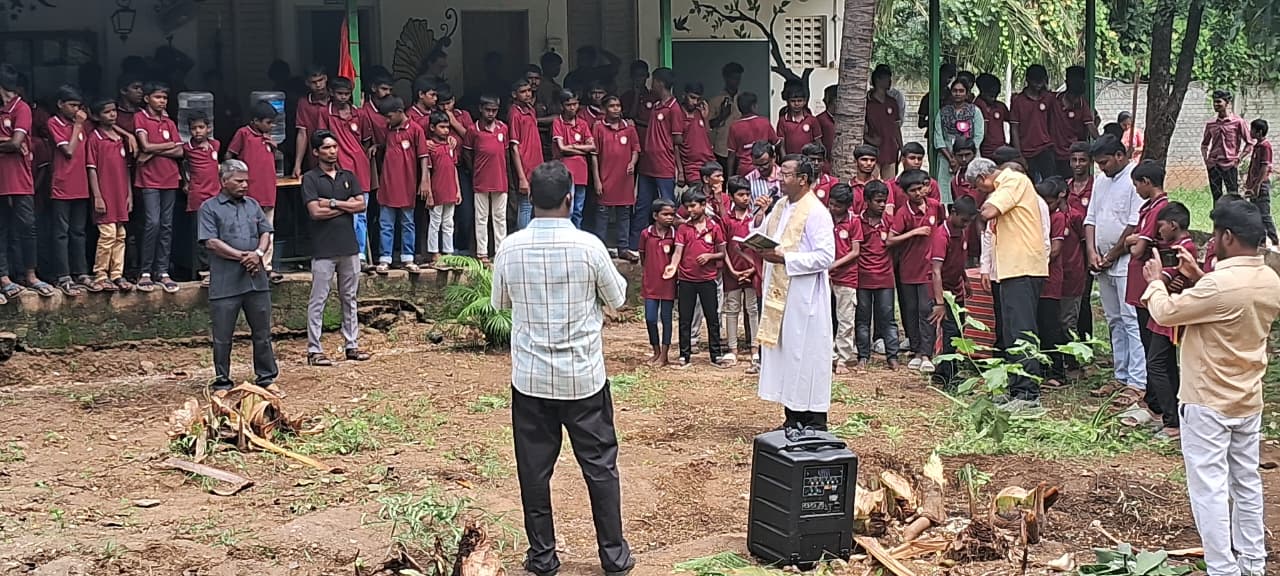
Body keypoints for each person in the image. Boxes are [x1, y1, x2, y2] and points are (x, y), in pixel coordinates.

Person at [490, 160, 633, 576]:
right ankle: (614, 556)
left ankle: (542, 557)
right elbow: (618, 299)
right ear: (571, 197)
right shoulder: (589, 247)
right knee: (601, 468)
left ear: (529, 197)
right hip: (583, 376)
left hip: (531, 378)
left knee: (534, 472)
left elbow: (500, 304)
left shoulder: (510, 247)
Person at [1142, 198, 1279, 576]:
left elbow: (1167, 312)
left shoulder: (1219, 284)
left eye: (1216, 235)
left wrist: (1155, 282)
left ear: (1229, 237)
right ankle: (1253, 563)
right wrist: (1201, 277)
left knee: (1210, 489)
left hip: (1206, 401)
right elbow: (1227, 304)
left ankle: (1222, 568)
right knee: (1247, 482)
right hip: (1247, 397)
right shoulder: (1269, 279)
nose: (1211, 242)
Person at [747, 154, 836, 429]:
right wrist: (758, 219)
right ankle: (791, 417)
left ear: (803, 180)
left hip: (804, 298)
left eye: (785, 174)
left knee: (806, 355)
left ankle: (814, 421)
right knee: (787, 354)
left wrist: (785, 258)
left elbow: (826, 256)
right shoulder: (781, 205)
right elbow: (764, 234)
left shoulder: (816, 212)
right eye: (780, 173)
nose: (779, 179)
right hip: (780, 294)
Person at [967, 157, 1047, 408]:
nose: (983, 194)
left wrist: (977, 208)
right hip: (1009, 269)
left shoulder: (1012, 180)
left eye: (980, 189)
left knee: (1022, 331)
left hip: (1022, 266)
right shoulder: (1005, 186)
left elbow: (989, 211)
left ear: (983, 178)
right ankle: (1016, 389)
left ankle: (1028, 393)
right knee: (1011, 331)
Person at [199, 159, 279, 394]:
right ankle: (222, 381)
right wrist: (242, 257)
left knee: (262, 333)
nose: (245, 185)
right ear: (224, 182)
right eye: (239, 181)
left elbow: (266, 231)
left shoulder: (253, 205)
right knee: (223, 336)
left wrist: (258, 253)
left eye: (247, 181)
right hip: (225, 282)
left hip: (256, 280)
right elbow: (211, 242)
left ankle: (266, 377)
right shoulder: (209, 208)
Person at [1083, 135, 1146, 401]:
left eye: (1105, 162)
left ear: (1120, 155)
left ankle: (1138, 380)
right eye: (1098, 163)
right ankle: (1120, 375)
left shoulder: (1134, 180)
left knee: (1130, 318)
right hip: (1102, 260)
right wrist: (1092, 252)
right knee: (1114, 320)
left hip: (1125, 260)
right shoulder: (1100, 181)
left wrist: (1112, 254)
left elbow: (1134, 224)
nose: (1102, 168)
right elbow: (1091, 218)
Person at [301, 130, 371, 367]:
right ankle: (314, 350)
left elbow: (361, 205)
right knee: (318, 299)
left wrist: (332, 202)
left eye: (334, 147)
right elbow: (314, 212)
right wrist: (346, 206)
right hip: (323, 248)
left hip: (349, 246)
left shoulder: (347, 175)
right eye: (327, 148)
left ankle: (352, 345)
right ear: (316, 152)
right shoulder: (310, 178)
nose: (332, 151)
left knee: (350, 298)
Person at [667, 188, 732, 369]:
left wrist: (709, 257)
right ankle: (684, 355)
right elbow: (677, 252)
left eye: (693, 206)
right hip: (687, 279)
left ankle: (716, 354)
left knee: (712, 318)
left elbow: (722, 253)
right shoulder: (683, 229)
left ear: (703, 205)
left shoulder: (715, 227)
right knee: (685, 318)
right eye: (687, 207)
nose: (690, 211)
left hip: (708, 278)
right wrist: (672, 267)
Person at [315, 77, 374, 270]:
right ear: (331, 92)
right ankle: (343, 254)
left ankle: (361, 255)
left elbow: (366, 140)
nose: (343, 97)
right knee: (342, 214)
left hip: (360, 168)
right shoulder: (326, 113)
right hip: (339, 170)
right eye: (339, 93)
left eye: (347, 94)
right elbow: (321, 140)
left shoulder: (360, 114)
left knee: (361, 214)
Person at [132, 81, 185, 293]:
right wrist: (168, 146)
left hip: (170, 178)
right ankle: (145, 271)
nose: (162, 101)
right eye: (157, 97)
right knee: (152, 223)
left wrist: (154, 151)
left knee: (166, 225)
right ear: (147, 99)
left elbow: (181, 152)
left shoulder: (169, 122)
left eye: (164, 98)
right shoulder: (140, 117)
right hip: (149, 179)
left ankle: (162, 271)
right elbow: (144, 145)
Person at [889, 169, 943, 373]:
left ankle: (927, 353)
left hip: (929, 268)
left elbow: (940, 229)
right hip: (909, 268)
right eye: (912, 190)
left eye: (921, 189)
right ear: (905, 192)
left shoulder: (935, 207)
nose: (918, 193)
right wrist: (914, 232)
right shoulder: (903, 213)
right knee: (910, 310)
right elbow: (890, 240)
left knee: (926, 310)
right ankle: (916, 349)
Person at [372, 97, 430, 272]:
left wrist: (424, 181)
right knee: (386, 223)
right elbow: (383, 147)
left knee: (407, 222)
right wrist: (375, 147)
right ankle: (385, 258)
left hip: (407, 184)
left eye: (389, 117)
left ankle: (408, 258)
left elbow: (423, 157)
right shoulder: (388, 131)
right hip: (388, 185)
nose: (387, 121)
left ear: (399, 112)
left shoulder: (415, 129)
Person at [226, 101, 281, 282]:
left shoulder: (269, 139)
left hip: (268, 191)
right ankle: (247, 263)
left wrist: (273, 146)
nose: (271, 126)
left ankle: (266, 266)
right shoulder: (243, 134)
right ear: (255, 121)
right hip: (249, 192)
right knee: (246, 229)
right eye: (268, 122)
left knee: (268, 229)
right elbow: (230, 155)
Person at [46, 85, 92, 296]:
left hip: (81, 185)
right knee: (61, 233)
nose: (76, 110)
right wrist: (78, 126)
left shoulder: (83, 126)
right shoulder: (54, 123)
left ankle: (81, 272)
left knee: (79, 232)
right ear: (60, 104)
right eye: (72, 105)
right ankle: (63, 275)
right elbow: (68, 150)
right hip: (62, 185)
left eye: (78, 106)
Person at [632, 67, 684, 251]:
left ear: (660, 83)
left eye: (653, 80)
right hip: (647, 164)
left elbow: (678, 139)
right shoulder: (655, 106)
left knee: (667, 205)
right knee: (642, 205)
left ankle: (671, 243)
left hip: (664, 164)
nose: (651, 84)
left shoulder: (674, 108)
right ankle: (636, 245)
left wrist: (680, 168)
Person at [929, 196, 978, 389]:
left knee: (959, 331)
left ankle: (942, 372)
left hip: (957, 289)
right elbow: (935, 270)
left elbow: (959, 260)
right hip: (943, 291)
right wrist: (940, 302)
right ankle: (949, 376)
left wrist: (965, 280)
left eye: (969, 221)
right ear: (953, 213)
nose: (967, 224)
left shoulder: (961, 232)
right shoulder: (942, 235)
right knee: (949, 333)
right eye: (964, 220)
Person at [591, 95, 640, 259]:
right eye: (612, 106)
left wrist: (632, 162)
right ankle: (600, 249)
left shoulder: (629, 128)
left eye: (618, 105)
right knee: (603, 214)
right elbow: (594, 155)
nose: (616, 109)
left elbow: (635, 149)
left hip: (624, 179)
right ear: (604, 109)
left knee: (624, 214)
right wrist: (597, 179)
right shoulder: (598, 128)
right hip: (605, 178)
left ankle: (623, 248)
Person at [855, 182, 898, 369]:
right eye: (878, 201)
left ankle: (892, 356)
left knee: (888, 317)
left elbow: (895, 246)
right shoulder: (858, 222)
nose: (882, 205)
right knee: (863, 318)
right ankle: (863, 356)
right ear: (867, 201)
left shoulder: (889, 220)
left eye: (884, 201)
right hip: (863, 277)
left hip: (885, 277)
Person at [464, 95, 510, 262]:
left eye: (494, 110)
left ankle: (500, 251)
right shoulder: (473, 130)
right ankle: (482, 253)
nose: (491, 113)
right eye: (488, 110)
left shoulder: (503, 128)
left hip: (500, 179)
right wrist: (475, 170)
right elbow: (467, 154)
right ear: (481, 109)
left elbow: (506, 153)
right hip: (481, 179)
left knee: (500, 217)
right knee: (481, 217)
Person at [720, 177, 758, 366]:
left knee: (753, 309)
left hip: (753, 271)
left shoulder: (755, 219)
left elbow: (760, 247)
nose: (745, 198)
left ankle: (755, 348)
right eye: (740, 195)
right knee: (732, 309)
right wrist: (732, 270)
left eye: (747, 194)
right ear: (731, 196)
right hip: (732, 271)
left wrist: (753, 268)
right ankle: (732, 348)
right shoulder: (726, 220)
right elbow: (723, 248)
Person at [1035, 177, 1069, 387]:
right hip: (1039, 278)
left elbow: (1055, 249)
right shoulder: (1041, 215)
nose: (1046, 206)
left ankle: (1058, 371)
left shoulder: (1057, 218)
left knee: (1050, 326)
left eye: (1050, 202)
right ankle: (1044, 367)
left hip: (1050, 279)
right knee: (1039, 325)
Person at [183, 112, 222, 284]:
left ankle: (217, 268)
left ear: (209, 128)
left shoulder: (215, 145)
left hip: (216, 196)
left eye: (201, 127)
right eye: (193, 128)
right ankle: (202, 271)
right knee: (200, 237)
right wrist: (185, 181)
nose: (197, 132)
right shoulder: (187, 148)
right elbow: (181, 163)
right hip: (197, 196)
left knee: (217, 234)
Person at [828, 183, 862, 374]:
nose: (833, 208)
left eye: (838, 206)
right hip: (824, 275)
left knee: (845, 318)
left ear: (848, 205)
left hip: (846, 275)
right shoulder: (824, 218)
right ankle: (827, 354)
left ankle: (844, 357)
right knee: (824, 316)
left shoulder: (853, 221)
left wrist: (835, 264)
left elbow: (855, 251)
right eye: (831, 204)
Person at [640, 199, 677, 367]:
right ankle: (655, 350)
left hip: (668, 283)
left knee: (667, 318)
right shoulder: (646, 234)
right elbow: (643, 257)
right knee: (650, 318)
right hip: (651, 282)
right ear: (655, 215)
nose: (669, 218)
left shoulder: (675, 234)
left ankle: (664, 353)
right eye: (665, 214)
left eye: (672, 214)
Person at [934, 76, 984, 204]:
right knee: (946, 189)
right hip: (947, 155)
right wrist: (952, 158)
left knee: (971, 186)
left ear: (967, 93)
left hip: (970, 153)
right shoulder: (943, 112)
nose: (958, 94)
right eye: (955, 90)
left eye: (961, 91)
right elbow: (938, 137)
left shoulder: (975, 111)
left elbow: (978, 135)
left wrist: (966, 155)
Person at [551, 90, 595, 229]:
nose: (572, 107)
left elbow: (592, 146)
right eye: (568, 104)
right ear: (562, 106)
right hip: (565, 170)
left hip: (581, 170)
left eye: (575, 104)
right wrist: (581, 149)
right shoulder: (558, 122)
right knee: (567, 209)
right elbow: (562, 148)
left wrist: (573, 147)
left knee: (578, 209)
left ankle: (577, 234)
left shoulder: (582, 123)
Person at [1201, 90, 1253, 203]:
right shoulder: (1211, 124)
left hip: (1230, 164)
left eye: (1219, 102)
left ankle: (1233, 220)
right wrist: (1207, 160)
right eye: (1214, 102)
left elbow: (1249, 143)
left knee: (1233, 196)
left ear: (1227, 103)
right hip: (1214, 164)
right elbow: (1204, 145)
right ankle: (1218, 220)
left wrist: (1239, 158)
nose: (1216, 105)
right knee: (1216, 197)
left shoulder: (1238, 122)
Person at [424, 110, 462, 264]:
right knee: (435, 222)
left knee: (449, 222)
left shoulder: (450, 146)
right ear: (432, 128)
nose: (446, 130)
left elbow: (454, 168)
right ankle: (434, 252)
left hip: (450, 189)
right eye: (442, 127)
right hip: (437, 190)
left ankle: (448, 251)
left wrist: (458, 189)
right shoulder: (431, 148)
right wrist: (430, 194)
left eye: (447, 127)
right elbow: (427, 171)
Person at [1050, 66, 1100, 178]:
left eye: (1078, 97)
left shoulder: (1083, 105)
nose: (1076, 100)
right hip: (1053, 153)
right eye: (1074, 97)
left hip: (1071, 153)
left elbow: (1091, 126)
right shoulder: (1053, 100)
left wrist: (1102, 142)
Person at [1008, 65, 1055, 182]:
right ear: (1028, 80)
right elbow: (1014, 129)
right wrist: (1019, 155)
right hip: (1026, 151)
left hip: (1045, 148)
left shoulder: (1048, 98)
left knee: (1051, 183)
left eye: (1041, 80)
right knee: (1028, 185)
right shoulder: (1018, 101)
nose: (1038, 84)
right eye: (1035, 80)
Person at [508, 78, 543, 231]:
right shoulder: (515, 113)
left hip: (537, 164)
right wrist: (521, 177)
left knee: (535, 205)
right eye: (523, 92)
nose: (527, 94)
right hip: (524, 165)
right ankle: (522, 241)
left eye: (529, 91)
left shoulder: (531, 110)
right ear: (514, 94)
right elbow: (514, 147)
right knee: (525, 206)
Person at [291, 65, 330, 179]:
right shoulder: (304, 103)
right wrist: (297, 165)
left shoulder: (337, 99)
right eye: (314, 82)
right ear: (307, 83)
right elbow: (302, 133)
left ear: (326, 78)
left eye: (321, 80)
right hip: (315, 158)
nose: (318, 85)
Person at [1243, 118, 1277, 246]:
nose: (1250, 132)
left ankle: (1274, 240)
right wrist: (1249, 184)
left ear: (1260, 132)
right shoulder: (1257, 146)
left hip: (1261, 186)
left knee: (1264, 215)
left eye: (1252, 129)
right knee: (1256, 215)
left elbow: (1264, 167)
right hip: (1254, 185)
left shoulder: (1265, 147)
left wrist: (1257, 186)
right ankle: (1261, 241)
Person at [727, 92, 777, 177]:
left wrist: (730, 178)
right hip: (764, 168)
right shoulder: (764, 122)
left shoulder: (734, 127)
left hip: (744, 170)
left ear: (739, 108)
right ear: (754, 106)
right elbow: (776, 143)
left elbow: (731, 155)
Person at [866, 66, 903, 179]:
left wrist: (902, 147)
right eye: (887, 78)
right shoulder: (867, 102)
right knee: (870, 183)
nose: (890, 81)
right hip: (872, 150)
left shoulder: (892, 102)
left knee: (890, 184)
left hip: (890, 150)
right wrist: (868, 139)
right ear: (878, 79)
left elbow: (896, 127)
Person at [679, 82, 716, 189]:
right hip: (692, 168)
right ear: (684, 95)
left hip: (710, 165)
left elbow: (709, 141)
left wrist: (706, 118)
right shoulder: (678, 114)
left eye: (698, 99)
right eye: (692, 98)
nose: (695, 102)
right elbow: (675, 145)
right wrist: (680, 171)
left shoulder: (700, 113)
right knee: (699, 200)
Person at [709, 62, 744, 168]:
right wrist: (722, 116)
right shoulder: (715, 101)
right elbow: (709, 125)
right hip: (721, 150)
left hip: (740, 151)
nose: (736, 81)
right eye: (733, 78)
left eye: (738, 78)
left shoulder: (743, 100)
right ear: (726, 78)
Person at [776, 80, 821, 156]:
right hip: (791, 160)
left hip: (808, 160)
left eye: (799, 101)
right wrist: (785, 160)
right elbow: (781, 146)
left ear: (804, 102)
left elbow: (818, 143)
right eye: (793, 101)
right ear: (788, 102)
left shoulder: (812, 120)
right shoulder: (783, 121)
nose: (796, 104)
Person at [975, 73, 1009, 158]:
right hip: (986, 150)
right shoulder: (976, 106)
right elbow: (983, 133)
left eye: (996, 95)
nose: (993, 98)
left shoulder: (1000, 106)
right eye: (991, 95)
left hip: (1001, 147)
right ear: (982, 90)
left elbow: (1013, 121)